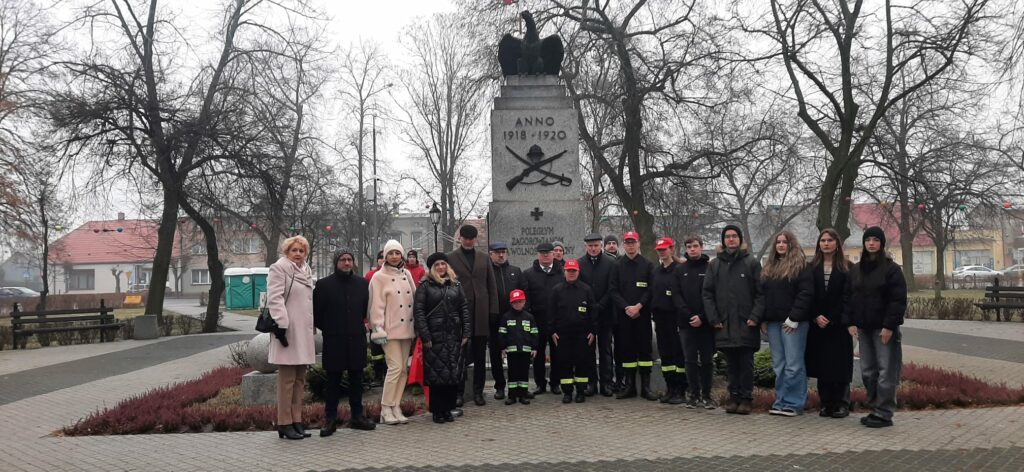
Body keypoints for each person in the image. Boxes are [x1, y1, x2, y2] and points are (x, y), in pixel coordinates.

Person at [844, 226, 907, 428]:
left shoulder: (892, 270)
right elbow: (849, 298)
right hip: (863, 329)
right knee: (868, 372)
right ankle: (874, 407)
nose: (871, 243)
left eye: (876, 240)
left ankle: (884, 412)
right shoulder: (856, 270)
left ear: (881, 243)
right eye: (868, 239)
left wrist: (889, 326)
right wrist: (851, 322)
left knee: (886, 371)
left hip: (883, 329)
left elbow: (897, 301)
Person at [313, 249, 376, 436]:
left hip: (356, 338)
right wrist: (331, 329)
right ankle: (330, 419)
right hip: (334, 339)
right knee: (333, 382)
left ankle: (357, 416)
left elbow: (365, 310)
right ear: (336, 262)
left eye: (349, 260)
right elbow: (317, 314)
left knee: (357, 380)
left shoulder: (362, 284)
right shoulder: (324, 285)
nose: (347, 263)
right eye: (343, 260)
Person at [703, 225, 763, 415]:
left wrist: (755, 316)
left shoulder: (751, 263)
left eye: (734, 236)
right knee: (731, 364)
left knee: (746, 363)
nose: (731, 240)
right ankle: (733, 396)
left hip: (746, 323)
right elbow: (707, 293)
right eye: (727, 237)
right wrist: (714, 318)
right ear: (723, 240)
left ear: (740, 239)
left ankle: (746, 399)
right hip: (724, 324)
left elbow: (761, 293)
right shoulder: (714, 265)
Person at [756, 231, 813, 417]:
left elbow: (805, 294)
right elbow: (763, 295)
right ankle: (780, 401)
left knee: (794, 364)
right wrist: (763, 319)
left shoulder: (801, 266)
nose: (781, 245)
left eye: (784, 242)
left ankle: (794, 403)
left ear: (791, 245)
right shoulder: (769, 267)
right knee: (779, 365)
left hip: (793, 323)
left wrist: (794, 318)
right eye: (778, 242)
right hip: (773, 323)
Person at [267, 235, 316, 440]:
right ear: (287, 252)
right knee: (286, 381)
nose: (298, 254)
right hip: (286, 332)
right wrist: (282, 324)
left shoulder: (306, 270)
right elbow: (274, 297)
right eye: (294, 250)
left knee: (299, 380)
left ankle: (297, 421)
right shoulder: (279, 268)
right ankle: (284, 423)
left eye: (301, 251)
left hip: (303, 332)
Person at [413, 252, 472, 424]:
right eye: (437, 265)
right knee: (437, 375)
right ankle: (438, 411)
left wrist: (466, 332)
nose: (441, 267)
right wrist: (425, 335)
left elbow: (464, 309)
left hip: (453, 335)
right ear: (432, 268)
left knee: (452, 373)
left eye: (443, 264)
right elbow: (419, 312)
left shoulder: (455, 284)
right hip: (434, 335)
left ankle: (449, 408)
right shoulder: (425, 286)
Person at [447, 224, 499, 407]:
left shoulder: (484, 258)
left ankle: (478, 392)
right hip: (460, 315)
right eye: (465, 238)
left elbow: (491, 285)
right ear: (460, 238)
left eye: (472, 238)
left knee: (479, 356)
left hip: (481, 314)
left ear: (475, 240)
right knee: (460, 357)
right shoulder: (450, 258)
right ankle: (459, 393)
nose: (468, 241)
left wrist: (493, 309)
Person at [805, 228, 854, 419]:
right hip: (818, 325)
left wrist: (835, 318)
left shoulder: (847, 267)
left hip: (839, 325)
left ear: (837, 244)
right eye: (822, 240)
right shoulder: (811, 267)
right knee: (823, 365)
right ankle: (826, 403)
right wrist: (815, 315)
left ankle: (841, 403)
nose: (826, 243)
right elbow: (807, 295)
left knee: (840, 365)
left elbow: (848, 296)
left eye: (830, 240)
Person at [369, 239, 417, 425]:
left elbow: (415, 298)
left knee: (403, 370)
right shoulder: (378, 277)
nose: (394, 256)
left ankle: (396, 406)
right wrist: (378, 327)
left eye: (397, 253)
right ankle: (385, 408)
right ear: (385, 256)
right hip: (388, 331)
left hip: (407, 329)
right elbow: (376, 305)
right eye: (391, 253)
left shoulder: (407, 275)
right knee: (395, 368)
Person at [608, 231, 658, 400]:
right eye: (627, 243)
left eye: (633, 242)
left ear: (638, 244)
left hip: (642, 316)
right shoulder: (616, 265)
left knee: (645, 351)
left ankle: (646, 387)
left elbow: (651, 289)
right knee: (626, 351)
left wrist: (639, 306)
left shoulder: (647, 265)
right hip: (624, 316)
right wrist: (626, 308)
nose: (630, 245)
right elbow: (613, 290)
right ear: (624, 245)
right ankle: (629, 386)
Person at [548, 259, 597, 403]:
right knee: (565, 363)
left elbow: (593, 312)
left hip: (582, 335)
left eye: (573, 271)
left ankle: (580, 391)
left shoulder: (586, 290)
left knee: (582, 363)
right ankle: (567, 392)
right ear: (564, 272)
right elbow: (551, 312)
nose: (571, 273)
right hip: (562, 335)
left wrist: (593, 331)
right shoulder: (556, 290)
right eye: (568, 271)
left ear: (578, 272)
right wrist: (552, 331)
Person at [678, 236, 716, 409]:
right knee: (690, 360)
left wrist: (702, 317)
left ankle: (707, 395)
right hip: (686, 324)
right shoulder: (680, 270)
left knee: (707, 360)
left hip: (706, 323)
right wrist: (689, 316)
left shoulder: (710, 269)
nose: (692, 249)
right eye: (689, 246)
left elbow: (713, 296)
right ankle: (693, 395)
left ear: (701, 247)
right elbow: (676, 296)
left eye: (695, 246)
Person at [522, 242, 564, 395]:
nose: (545, 255)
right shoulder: (528, 274)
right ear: (537, 255)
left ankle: (555, 383)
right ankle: (540, 384)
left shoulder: (562, 273)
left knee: (557, 353)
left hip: (557, 320)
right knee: (538, 354)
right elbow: (526, 298)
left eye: (548, 252)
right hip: (537, 320)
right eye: (542, 253)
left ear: (554, 254)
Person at [577, 233, 616, 397]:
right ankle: (591, 383)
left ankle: (606, 383)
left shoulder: (610, 262)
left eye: (596, 245)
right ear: (586, 247)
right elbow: (579, 287)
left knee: (606, 350)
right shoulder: (579, 263)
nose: (593, 248)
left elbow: (612, 287)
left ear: (601, 245)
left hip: (605, 312)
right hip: (587, 316)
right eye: (590, 246)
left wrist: (600, 305)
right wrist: (591, 306)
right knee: (588, 351)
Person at [650, 237, 686, 405]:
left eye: (665, 249)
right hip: (660, 319)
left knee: (678, 355)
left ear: (672, 249)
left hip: (675, 318)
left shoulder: (679, 270)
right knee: (665, 356)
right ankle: (669, 387)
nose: (662, 252)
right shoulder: (656, 272)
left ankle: (680, 389)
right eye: (660, 250)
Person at [489, 241, 525, 401]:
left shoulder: (516, 271)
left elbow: (524, 293)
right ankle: (500, 386)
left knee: (517, 355)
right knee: (496, 354)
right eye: (497, 252)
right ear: (491, 254)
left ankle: (519, 386)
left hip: (515, 320)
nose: (501, 255)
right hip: (495, 320)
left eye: (503, 252)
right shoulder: (487, 272)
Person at [498, 289, 539, 405]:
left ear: (524, 302)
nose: (517, 304)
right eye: (515, 302)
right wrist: (503, 348)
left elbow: (534, 333)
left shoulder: (529, 317)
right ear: (511, 303)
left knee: (523, 373)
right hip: (511, 352)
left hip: (525, 351)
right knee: (512, 373)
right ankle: (512, 395)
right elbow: (502, 333)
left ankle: (523, 394)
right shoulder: (506, 317)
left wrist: (534, 348)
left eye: (520, 302)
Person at [365, 250, 387, 387]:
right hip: (375, 318)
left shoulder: (397, 274)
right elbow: (366, 299)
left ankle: (390, 375)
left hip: (391, 319)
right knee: (376, 350)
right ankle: (378, 375)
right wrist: (366, 320)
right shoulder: (370, 275)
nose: (383, 260)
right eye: (380, 258)